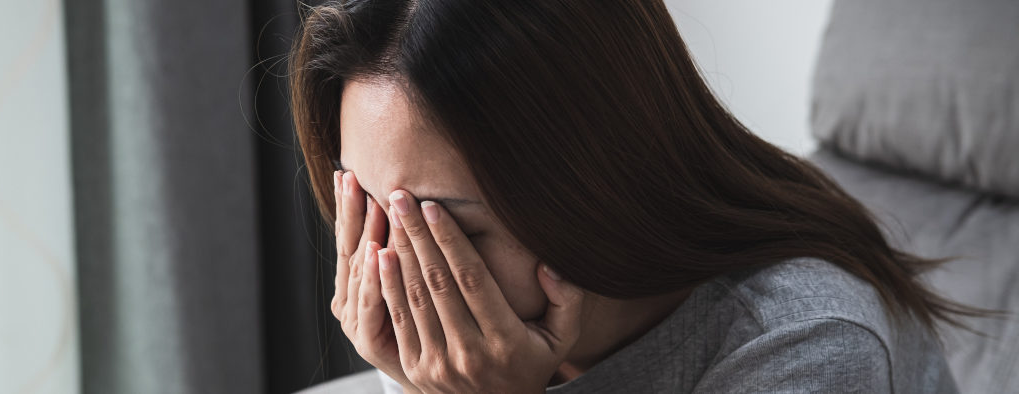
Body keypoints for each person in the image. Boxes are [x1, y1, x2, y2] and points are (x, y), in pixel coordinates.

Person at [289, 1, 975, 392]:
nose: (391, 269)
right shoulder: (472, 349)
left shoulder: (809, 346)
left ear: (594, 188)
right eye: (368, 210)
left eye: (447, 233)